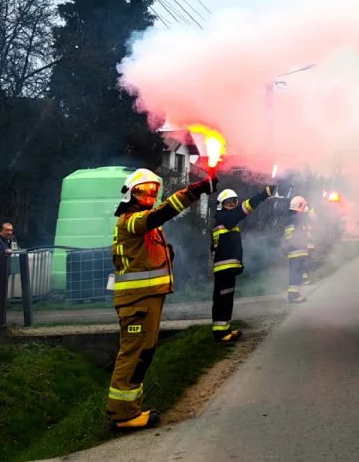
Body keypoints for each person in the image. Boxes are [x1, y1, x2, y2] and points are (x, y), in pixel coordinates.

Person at [107, 169, 215, 430]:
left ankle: (131, 409)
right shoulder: (129, 220)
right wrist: (193, 191)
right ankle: (122, 415)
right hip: (137, 303)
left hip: (147, 300)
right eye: (144, 191)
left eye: (154, 192)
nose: (150, 196)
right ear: (130, 194)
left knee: (143, 354)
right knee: (133, 355)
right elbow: (160, 213)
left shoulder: (144, 224)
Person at [210, 185, 275, 342]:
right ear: (221, 205)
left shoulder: (224, 220)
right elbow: (244, 209)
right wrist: (262, 195)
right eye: (228, 203)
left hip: (226, 268)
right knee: (222, 300)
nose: (232, 205)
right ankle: (219, 333)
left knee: (226, 299)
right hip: (224, 268)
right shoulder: (225, 218)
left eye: (234, 202)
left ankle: (225, 328)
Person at [285, 196, 313, 303]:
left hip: (294, 250)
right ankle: (293, 296)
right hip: (297, 250)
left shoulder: (291, 219)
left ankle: (294, 294)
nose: (304, 209)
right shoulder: (296, 219)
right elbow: (297, 235)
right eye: (304, 206)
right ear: (299, 206)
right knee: (296, 273)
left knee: (295, 273)